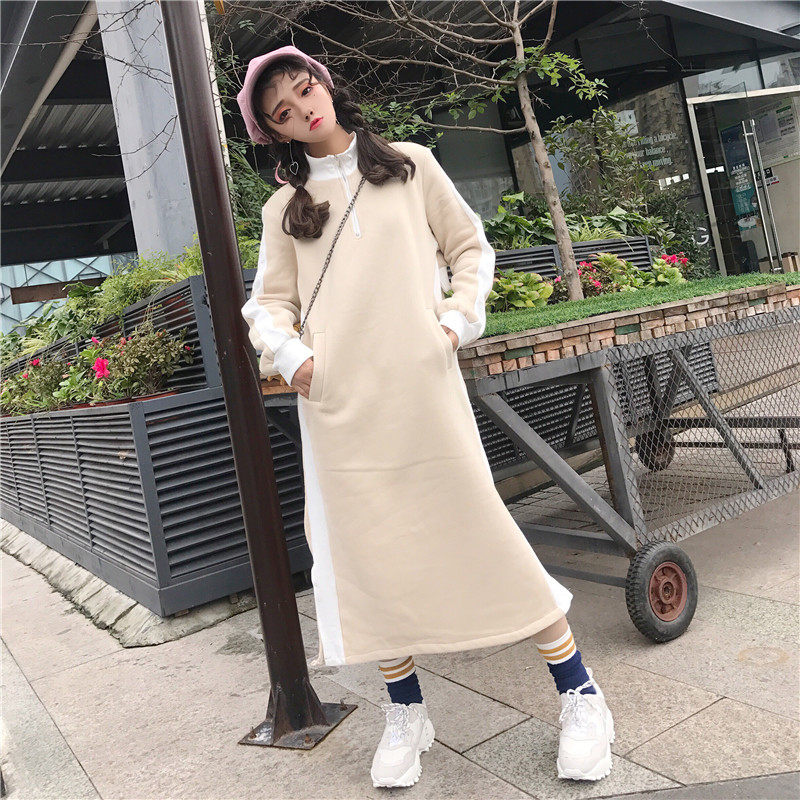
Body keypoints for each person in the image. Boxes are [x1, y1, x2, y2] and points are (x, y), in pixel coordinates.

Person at [236, 45, 615, 789]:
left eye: (305, 88)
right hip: (343, 411)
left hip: (422, 392)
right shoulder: (285, 210)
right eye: (282, 110)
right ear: (275, 132)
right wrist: (295, 357)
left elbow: (470, 247)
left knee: (481, 528)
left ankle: (580, 694)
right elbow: (267, 303)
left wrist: (453, 321)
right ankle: (406, 709)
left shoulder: (409, 165)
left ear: (325, 84)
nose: (302, 108)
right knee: (371, 556)